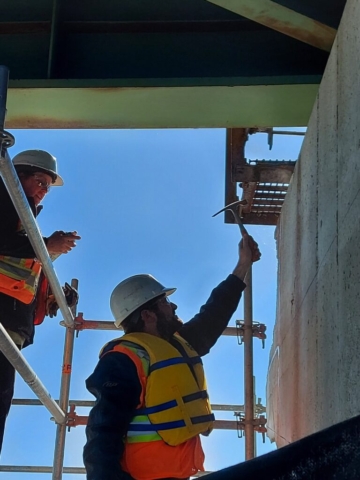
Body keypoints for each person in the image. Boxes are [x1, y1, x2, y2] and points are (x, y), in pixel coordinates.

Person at [83, 233, 261, 480]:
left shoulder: (178, 346)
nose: (173, 306)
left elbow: (214, 314)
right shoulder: (123, 359)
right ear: (148, 315)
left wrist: (243, 265)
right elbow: (102, 430)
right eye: (166, 301)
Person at [0, 149, 81, 454]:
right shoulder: (6, 197)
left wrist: (52, 293)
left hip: (11, 321)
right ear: (17, 175)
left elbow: (22, 265)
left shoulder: (21, 217)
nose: (43, 192)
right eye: (40, 181)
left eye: (47, 187)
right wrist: (46, 245)